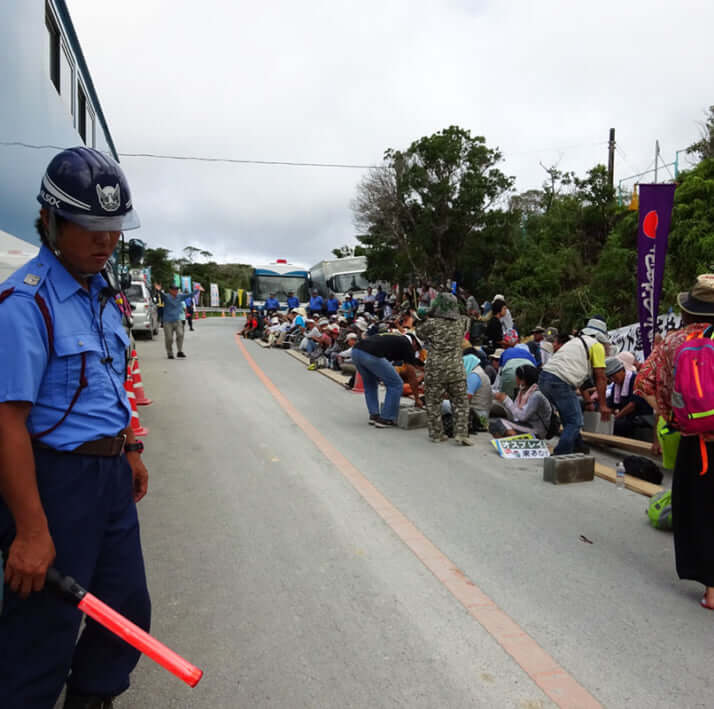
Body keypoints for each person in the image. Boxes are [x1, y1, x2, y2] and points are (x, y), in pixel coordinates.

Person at [0, 147, 151, 708]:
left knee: (126, 611)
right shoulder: (25, 303)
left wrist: (129, 448)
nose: (105, 240)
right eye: (90, 226)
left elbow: (110, 381)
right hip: (55, 484)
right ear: (53, 220)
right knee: (44, 631)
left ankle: (92, 699)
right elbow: (7, 423)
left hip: (110, 480)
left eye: (112, 227)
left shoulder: (103, 296)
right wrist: (32, 531)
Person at [634, 274, 714, 611]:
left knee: (700, 510)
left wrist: (670, 416)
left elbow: (643, 383)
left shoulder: (672, 343)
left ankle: (712, 590)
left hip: (696, 441)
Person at [539, 316, 611, 455]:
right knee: (575, 421)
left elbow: (582, 381)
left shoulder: (574, 342)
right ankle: (560, 455)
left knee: (569, 416)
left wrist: (589, 401)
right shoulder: (596, 346)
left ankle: (578, 446)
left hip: (544, 378)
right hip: (560, 381)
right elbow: (601, 377)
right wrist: (603, 405)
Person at [416, 292, 473, 445]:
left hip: (435, 370)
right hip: (456, 369)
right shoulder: (462, 322)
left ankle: (437, 434)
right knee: (460, 402)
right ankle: (462, 434)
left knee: (433, 403)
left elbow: (419, 332)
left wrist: (425, 314)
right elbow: (468, 319)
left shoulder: (432, 324)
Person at [351, 332, 424, 427]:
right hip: (370, 354)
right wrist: (417, 398)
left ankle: (374, 415)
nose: (416, 351)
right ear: (414, 342)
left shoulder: (395, 337)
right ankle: (386, 418)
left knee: (370, 383)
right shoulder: (407, 344)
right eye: (417, 348)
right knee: (396, 384)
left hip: (356, 352)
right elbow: (411, 375)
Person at [492, 365, 553, 439]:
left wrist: (506, 400)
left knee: (500, 423)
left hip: (537, 430)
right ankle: (515, 440)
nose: (515, 379)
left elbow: (522, 417)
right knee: (494, 426)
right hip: (525, 425)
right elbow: (515, 416)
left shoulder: (536, 395)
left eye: (516, 377)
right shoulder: (522, 391)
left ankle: (518, 442)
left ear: (523, 380)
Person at [603, 357, 652, 438]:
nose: (613, 379)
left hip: (642, 417)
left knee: (617, 424)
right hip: (628, 418)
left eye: (614, 376)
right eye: (610, 377)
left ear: (622, 370)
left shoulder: (636, 380)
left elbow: (633, 405)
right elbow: (611, 404)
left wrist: (616, 417)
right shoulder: (616, 386)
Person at [163, 283, 189, 359]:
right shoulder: (166, 297)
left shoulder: (179, 296)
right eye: (174, 289)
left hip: (177, 320)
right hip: (167, 321)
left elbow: (188, 295)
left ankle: (179, 351)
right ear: (170, 290)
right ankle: (169, 353)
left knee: (180, 334)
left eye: (177, 289)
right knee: (169, 338)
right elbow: (161, 295)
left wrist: (197, 290)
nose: (176, 291)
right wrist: (158, 290)